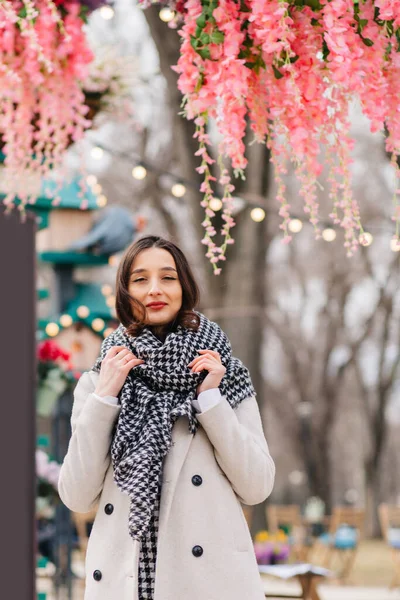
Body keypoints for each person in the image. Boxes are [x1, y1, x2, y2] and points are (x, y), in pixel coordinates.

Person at [58, 235, 275, 600]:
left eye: (168, 277)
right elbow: (77, 496)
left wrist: (210, 400)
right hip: (124, 580)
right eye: (140, 279)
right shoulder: (102, 377)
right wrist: (104, 398)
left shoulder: (223, 373)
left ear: (184, 287)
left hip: (208, 583)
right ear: (125, 292)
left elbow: (257, 486)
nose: (154, 289)